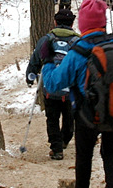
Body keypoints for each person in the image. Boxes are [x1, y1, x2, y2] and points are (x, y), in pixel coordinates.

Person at [41, 0, 113, 188]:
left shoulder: (78, 52)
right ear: (103, 21)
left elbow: (54, 84)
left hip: (87, 114)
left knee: (84, 154)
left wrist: (48, 62)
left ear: (83, 24)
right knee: (110, 151)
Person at [26, 8, 80, 160]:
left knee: (52, 118)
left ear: (55, 22)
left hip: (49, 87)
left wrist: (30, 76)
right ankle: (65, 139)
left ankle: (56, 149)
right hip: (70, 89)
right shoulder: (78, 42)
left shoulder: (47, 40)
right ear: (72, 23)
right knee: (69, 117)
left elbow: (35, 59)